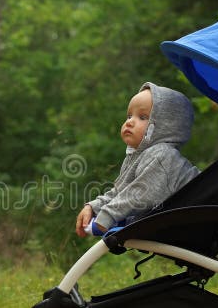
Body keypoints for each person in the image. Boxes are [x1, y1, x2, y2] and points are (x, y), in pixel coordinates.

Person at [76, 82, 200, 237]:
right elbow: (121, 191)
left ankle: (123, 220)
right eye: (129, 115)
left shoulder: (162, 155)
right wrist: (94, 207)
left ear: (167, 126)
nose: (129, 121)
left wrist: (107, 216)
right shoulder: (138, 155)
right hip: (170, 218)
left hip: (196, 220)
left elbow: (140, 194)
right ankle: (124, 220)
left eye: (142, 117)